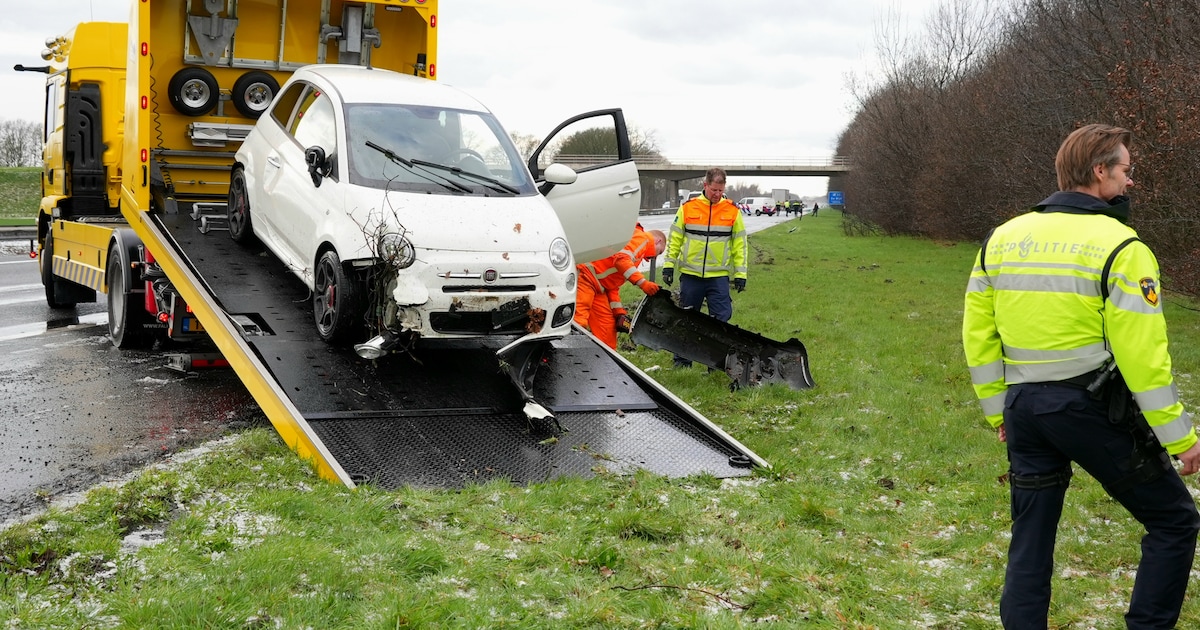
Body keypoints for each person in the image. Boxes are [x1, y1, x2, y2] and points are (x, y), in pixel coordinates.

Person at [962, 124, 1200, 629]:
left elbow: (977, 336)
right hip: (1087, 408)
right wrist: (1179, 438)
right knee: (1174, 520)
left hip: (1023, 410)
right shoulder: (1121, 246)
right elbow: (1143, 355)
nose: (1130, 181)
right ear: (1099, 171)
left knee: (1032, 537)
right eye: (1126, 170)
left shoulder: (1002, 239)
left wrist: (995, 411)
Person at [662, 167, 748, 368]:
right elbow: (675, 239)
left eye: (720, 190)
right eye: (713, 190)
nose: (717, 195)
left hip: (718, 277)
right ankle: (682, 362)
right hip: (691, 276)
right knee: (687, 320)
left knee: (721, 320)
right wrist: (668, 266)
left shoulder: (732, 211)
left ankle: (716, 363)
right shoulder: (688, 208)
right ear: (705, 185)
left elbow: (740, 245)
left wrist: (741, 274)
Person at [574, 223, 666, 349]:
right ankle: (565, 356)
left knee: (607, 330)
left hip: (598, 286)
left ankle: (607, 362)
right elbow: (620, 259)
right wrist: (643, 283)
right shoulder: (643, 239)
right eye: (659, 252)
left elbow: (613, 285)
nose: (654, 257)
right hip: (585, 276)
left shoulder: (638, 254)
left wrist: (618, 312)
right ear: (657, 240)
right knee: (578, 322)